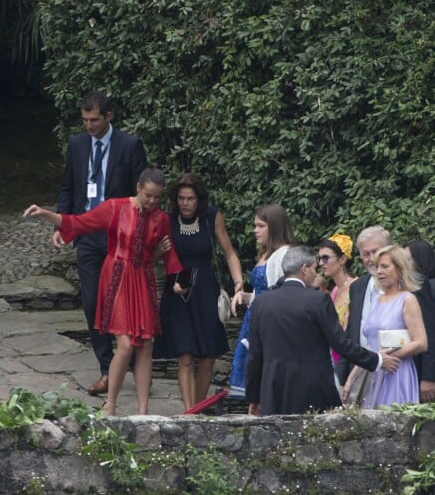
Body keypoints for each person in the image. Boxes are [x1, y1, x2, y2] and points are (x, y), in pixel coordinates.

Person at [24, 166, 182, 416]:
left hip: (143, 280)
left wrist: (178, 281)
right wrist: (46, 214)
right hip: (118, 277)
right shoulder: (115, 207)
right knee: (127, 344)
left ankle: (143, 411)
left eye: (157, 197)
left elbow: (170, 256)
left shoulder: (161, 219)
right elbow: (79, 222)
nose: (152, 201)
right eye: (148, 195)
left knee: (147, 345)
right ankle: (110, 404)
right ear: (138, 188)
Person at [52, 91, 147, 396]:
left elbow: (141, 191)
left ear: (108, 117)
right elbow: (68, 186)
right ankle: (106, 367)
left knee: (123, 300)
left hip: (119, 235)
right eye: (85, 120)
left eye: (94, 120)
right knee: (93, 301)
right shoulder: (77, 145)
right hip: (88, 235)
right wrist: (64, 224)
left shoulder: (130, 145)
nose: (89, 126)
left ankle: (130, 361)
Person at [246, 246, 400, 415]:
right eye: (314, 268)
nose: (316, 274)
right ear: (304, 269)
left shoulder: (261, 303)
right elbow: (340, 343)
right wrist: (376, 360)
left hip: (272, 390)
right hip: (312, 389)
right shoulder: (317, 300)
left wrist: (254, 398)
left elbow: (255, 355)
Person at [153, 173, 243, 410]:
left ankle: (199, 407)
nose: (185, 203)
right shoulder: (166, 220)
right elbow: (150, 258)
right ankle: (189, 412)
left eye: (190, 198)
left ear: (198, 199)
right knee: (185, 355)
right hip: (178, 291)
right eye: (181, 198)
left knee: (207, 356)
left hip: (205, 289)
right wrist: (157, 252)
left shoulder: (212, 217)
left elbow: (229, 253)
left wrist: (238, 282)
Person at [342, 246, 427, 408]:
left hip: (396, 372)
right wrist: (351, 378)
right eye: (377, 267)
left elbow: (421, 342)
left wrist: (387, 359)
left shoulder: (407, 299)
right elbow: (370, 344)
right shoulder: (376, 300)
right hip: (372, 370)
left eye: (385, 266)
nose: (379, 271)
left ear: (400, 269)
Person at [229, 204, 297, 398]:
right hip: (255, 317)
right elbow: (262, 292)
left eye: (260, 226)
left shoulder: (283, 254)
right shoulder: (266, 253)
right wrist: (244, 296)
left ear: (274, 227)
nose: (255, 230)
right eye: (255, 226)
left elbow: (280, 293)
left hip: (268, 322)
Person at [336, 225, 392, 386]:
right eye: (366, 254)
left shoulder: (407, 284)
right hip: (361, 372)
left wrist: (428, 377)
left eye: (376, 251)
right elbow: (351, 335)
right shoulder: (357, 287)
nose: (372, 258)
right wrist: (342, 378)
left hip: (395, 370)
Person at [318, 234, 357, 364]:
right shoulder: (335, 290)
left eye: (325, 258)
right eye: (320, 259)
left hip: (347, 358)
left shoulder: (355, 288)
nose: (321, 263)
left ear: (342, 259)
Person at [404, 240, 435, 402]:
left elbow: (430, 330)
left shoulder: (422, 287)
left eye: (407, 260)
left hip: (424, 369)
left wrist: (429, 376)